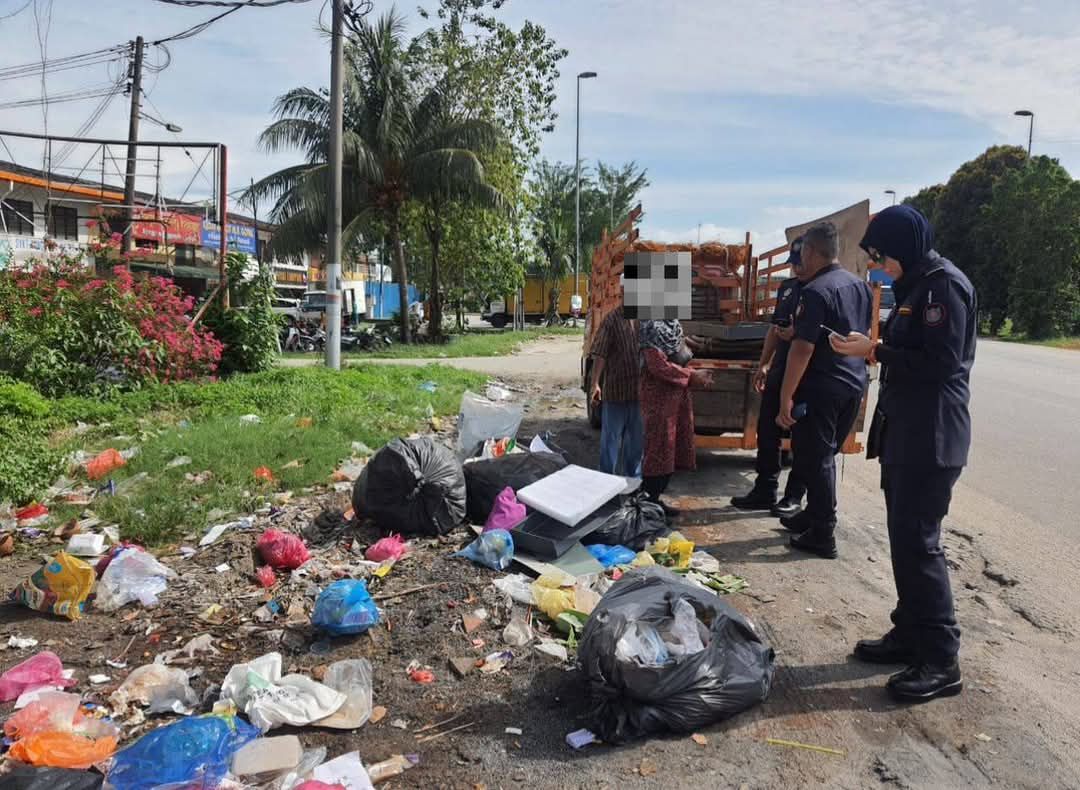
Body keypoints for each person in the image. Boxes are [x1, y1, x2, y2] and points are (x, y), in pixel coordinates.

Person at [831, 204, 976, 703]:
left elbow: (940, 363)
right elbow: (903, 347)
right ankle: (911, 632)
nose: (878, 265)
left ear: (904, 248)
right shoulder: (916, 284)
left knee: (920, 544)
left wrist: (873, 351)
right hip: (907, 434)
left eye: (881, 256)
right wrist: (872, 344)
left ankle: (941, 658)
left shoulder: (943, 287)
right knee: (905, 540)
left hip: (931, 439)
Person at [776, 222, 872, 559]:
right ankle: (812, 515)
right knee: (822, 454)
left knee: (816, 457)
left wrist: (785, 398)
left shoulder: (816, 292)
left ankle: (823, 532)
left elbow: (803, 349)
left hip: (821, 386)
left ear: (812, 252)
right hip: (853, 383)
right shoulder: (860, 287)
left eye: (803, 252)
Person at [731, 237, 808, 517]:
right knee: (767, 431)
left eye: (801, 263)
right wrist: (763, 364)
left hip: (806, 376)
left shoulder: (819, 290)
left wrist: (798, 334)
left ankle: (794, 495)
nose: (797, 269)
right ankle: (765, 489)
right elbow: (774, 330)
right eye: (794, 264)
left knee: (801, 436)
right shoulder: (788, 290)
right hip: (780, 370)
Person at [638, 319, 712, 516]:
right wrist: (691, 376)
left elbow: (678, 351)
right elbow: (657, 366)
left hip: (677, 395)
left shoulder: (672, 325)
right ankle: (648, 502)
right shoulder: (650, 327)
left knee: (671, 446)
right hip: (658, 398)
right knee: (658, 447)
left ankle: (655, 499)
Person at [590, 308, 643, 477]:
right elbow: (600, 353)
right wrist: (595, 383)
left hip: (639, 395)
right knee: (610, 443)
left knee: (636, 444)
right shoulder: (612, 319)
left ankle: (633, 484)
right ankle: (606, 484)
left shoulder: (646, 319)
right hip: (615, 395)